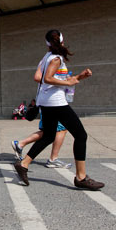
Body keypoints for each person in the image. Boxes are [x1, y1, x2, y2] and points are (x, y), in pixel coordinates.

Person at [13, 29, 104, 191]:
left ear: (47, 43)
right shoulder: (56, 58)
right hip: (56, 103)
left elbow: (48, 78)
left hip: (46, 102)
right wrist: (69, 83)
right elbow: (48, 78)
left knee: (48, 135)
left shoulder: (46, 57)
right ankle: (81, 177)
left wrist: (78, 77)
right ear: (61, 40)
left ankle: (24, 164)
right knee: (81, 135)